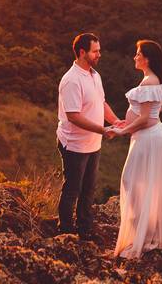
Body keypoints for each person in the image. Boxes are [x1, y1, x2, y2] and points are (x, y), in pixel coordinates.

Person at [108, 39, 162, 258]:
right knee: (145, 183)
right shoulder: (153, 80)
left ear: (147, 58)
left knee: (133, 181)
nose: (134, 57)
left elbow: (147, 117)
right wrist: (125, 124)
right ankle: (147, 232)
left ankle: (143, 236)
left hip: (148, 137)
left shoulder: (150, 82)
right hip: (151, 135)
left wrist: (122, 131)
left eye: (138, 54)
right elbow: (148, 115)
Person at [56, 32, 120, 239]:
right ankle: (65, 230)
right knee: (73, 189)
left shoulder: (95, 75)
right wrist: (103, 130)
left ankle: (84, 229)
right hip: (74, 145)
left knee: (89, 189)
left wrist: (116, 122)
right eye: (95, 51)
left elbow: (101, 103)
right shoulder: (71, 80)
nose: (99, 55)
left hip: (93, 143)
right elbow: (73, 116)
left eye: (99, 51)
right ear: (82, 52)